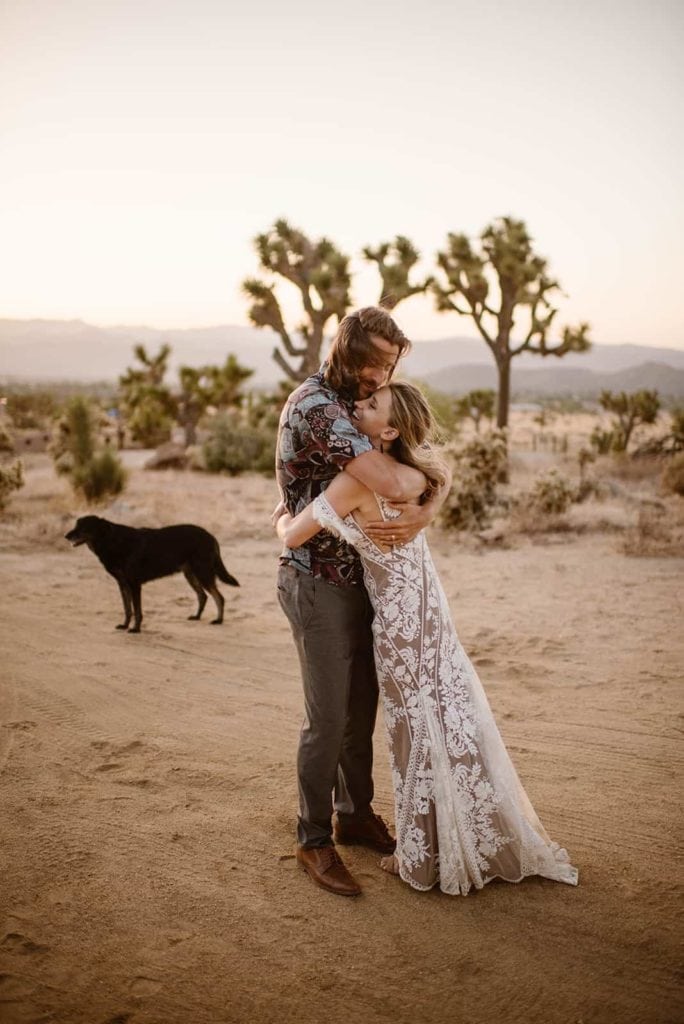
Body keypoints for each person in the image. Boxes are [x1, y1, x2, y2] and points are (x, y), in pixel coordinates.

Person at [275, 381, 579, 895]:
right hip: (428, 615)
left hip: (397, 621)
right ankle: (456, 835)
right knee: (443, 718)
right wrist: (432, 501)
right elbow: (436, 473)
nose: (357, 407)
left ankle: (433, 844)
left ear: (390, 430)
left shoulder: (357, 481)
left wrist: (281, 516)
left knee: (417, 727)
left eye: (371, 406)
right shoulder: (413, 476)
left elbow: (293, 534)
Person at [275, 308, 452, 898]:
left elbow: (418, 472)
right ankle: (312, 838)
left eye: (390, 364)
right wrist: (418, 495)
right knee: (327, 718)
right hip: (316, 578)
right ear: (345, 351)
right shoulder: (319, 407)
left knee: (360, 709)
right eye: (373, 362)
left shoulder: (361, 404)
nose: (380, 375)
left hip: (366, 582)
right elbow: (395, 478)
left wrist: (428, 506)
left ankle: (354, 815)